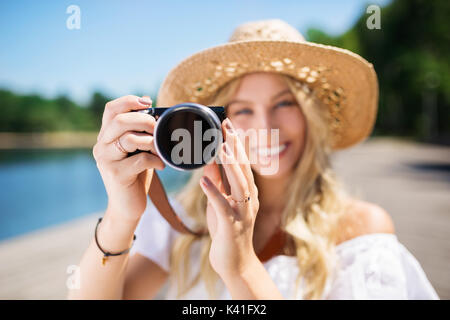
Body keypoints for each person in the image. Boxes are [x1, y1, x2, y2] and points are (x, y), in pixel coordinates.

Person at [68, 19, 438, 300]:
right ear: (216, 124)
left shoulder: (360, 230)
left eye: (284, 103)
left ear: (311, 116)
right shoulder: (184, 223)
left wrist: (241, 266)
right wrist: (122, 214)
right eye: (243, 110)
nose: (266, 126)